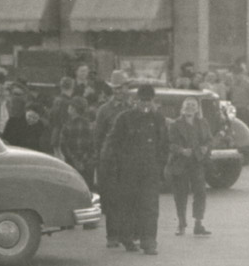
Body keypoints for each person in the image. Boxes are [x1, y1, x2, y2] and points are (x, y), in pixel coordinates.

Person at [102, 83, 169, 255]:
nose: (145, 104)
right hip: (128, 170)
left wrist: (160, 166)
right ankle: (127, 238)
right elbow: (112, 142)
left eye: (148, 101)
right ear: (135, 100)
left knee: (150, 206)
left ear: (153, 101)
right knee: (128, 205)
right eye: (142, 101)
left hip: (150, 170)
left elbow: (164, 144)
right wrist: (112, 166)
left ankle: (149, 241)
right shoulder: (124, 118)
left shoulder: (158, 119)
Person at [93, 71, 134, 248]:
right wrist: (99, 162)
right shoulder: (104, 110)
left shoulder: (132, 108)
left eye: (122, 88)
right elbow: (97, 137)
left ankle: (128, 234)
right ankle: (112, 235)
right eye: (115, 88)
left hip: (129, 159)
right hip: (109, 159)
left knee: (129, 197)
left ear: (127, 88)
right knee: (111, 198)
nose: (118, 91)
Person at [168, 96, 213, 237]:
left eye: (193, 105)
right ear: (182, 107)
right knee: (180, 195)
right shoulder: (175, 124)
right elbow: (169, 143)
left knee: (200, 192)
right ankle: (181, 224)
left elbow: (210, 140)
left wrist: (206, 147)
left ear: (197, 108)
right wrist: (181, 150)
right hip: (180, 163)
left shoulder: (203, 123)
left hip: (197, 162)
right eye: (187, 105)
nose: (190, 107)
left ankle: (198, 224)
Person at [59, 96, 95, 190]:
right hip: (87, 165)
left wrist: (74, 160)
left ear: (73, 109)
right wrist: (83, 161)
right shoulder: (90, 125)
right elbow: (92, 145)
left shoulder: (67, 125)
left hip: (71, 164)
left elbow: (63, 145)